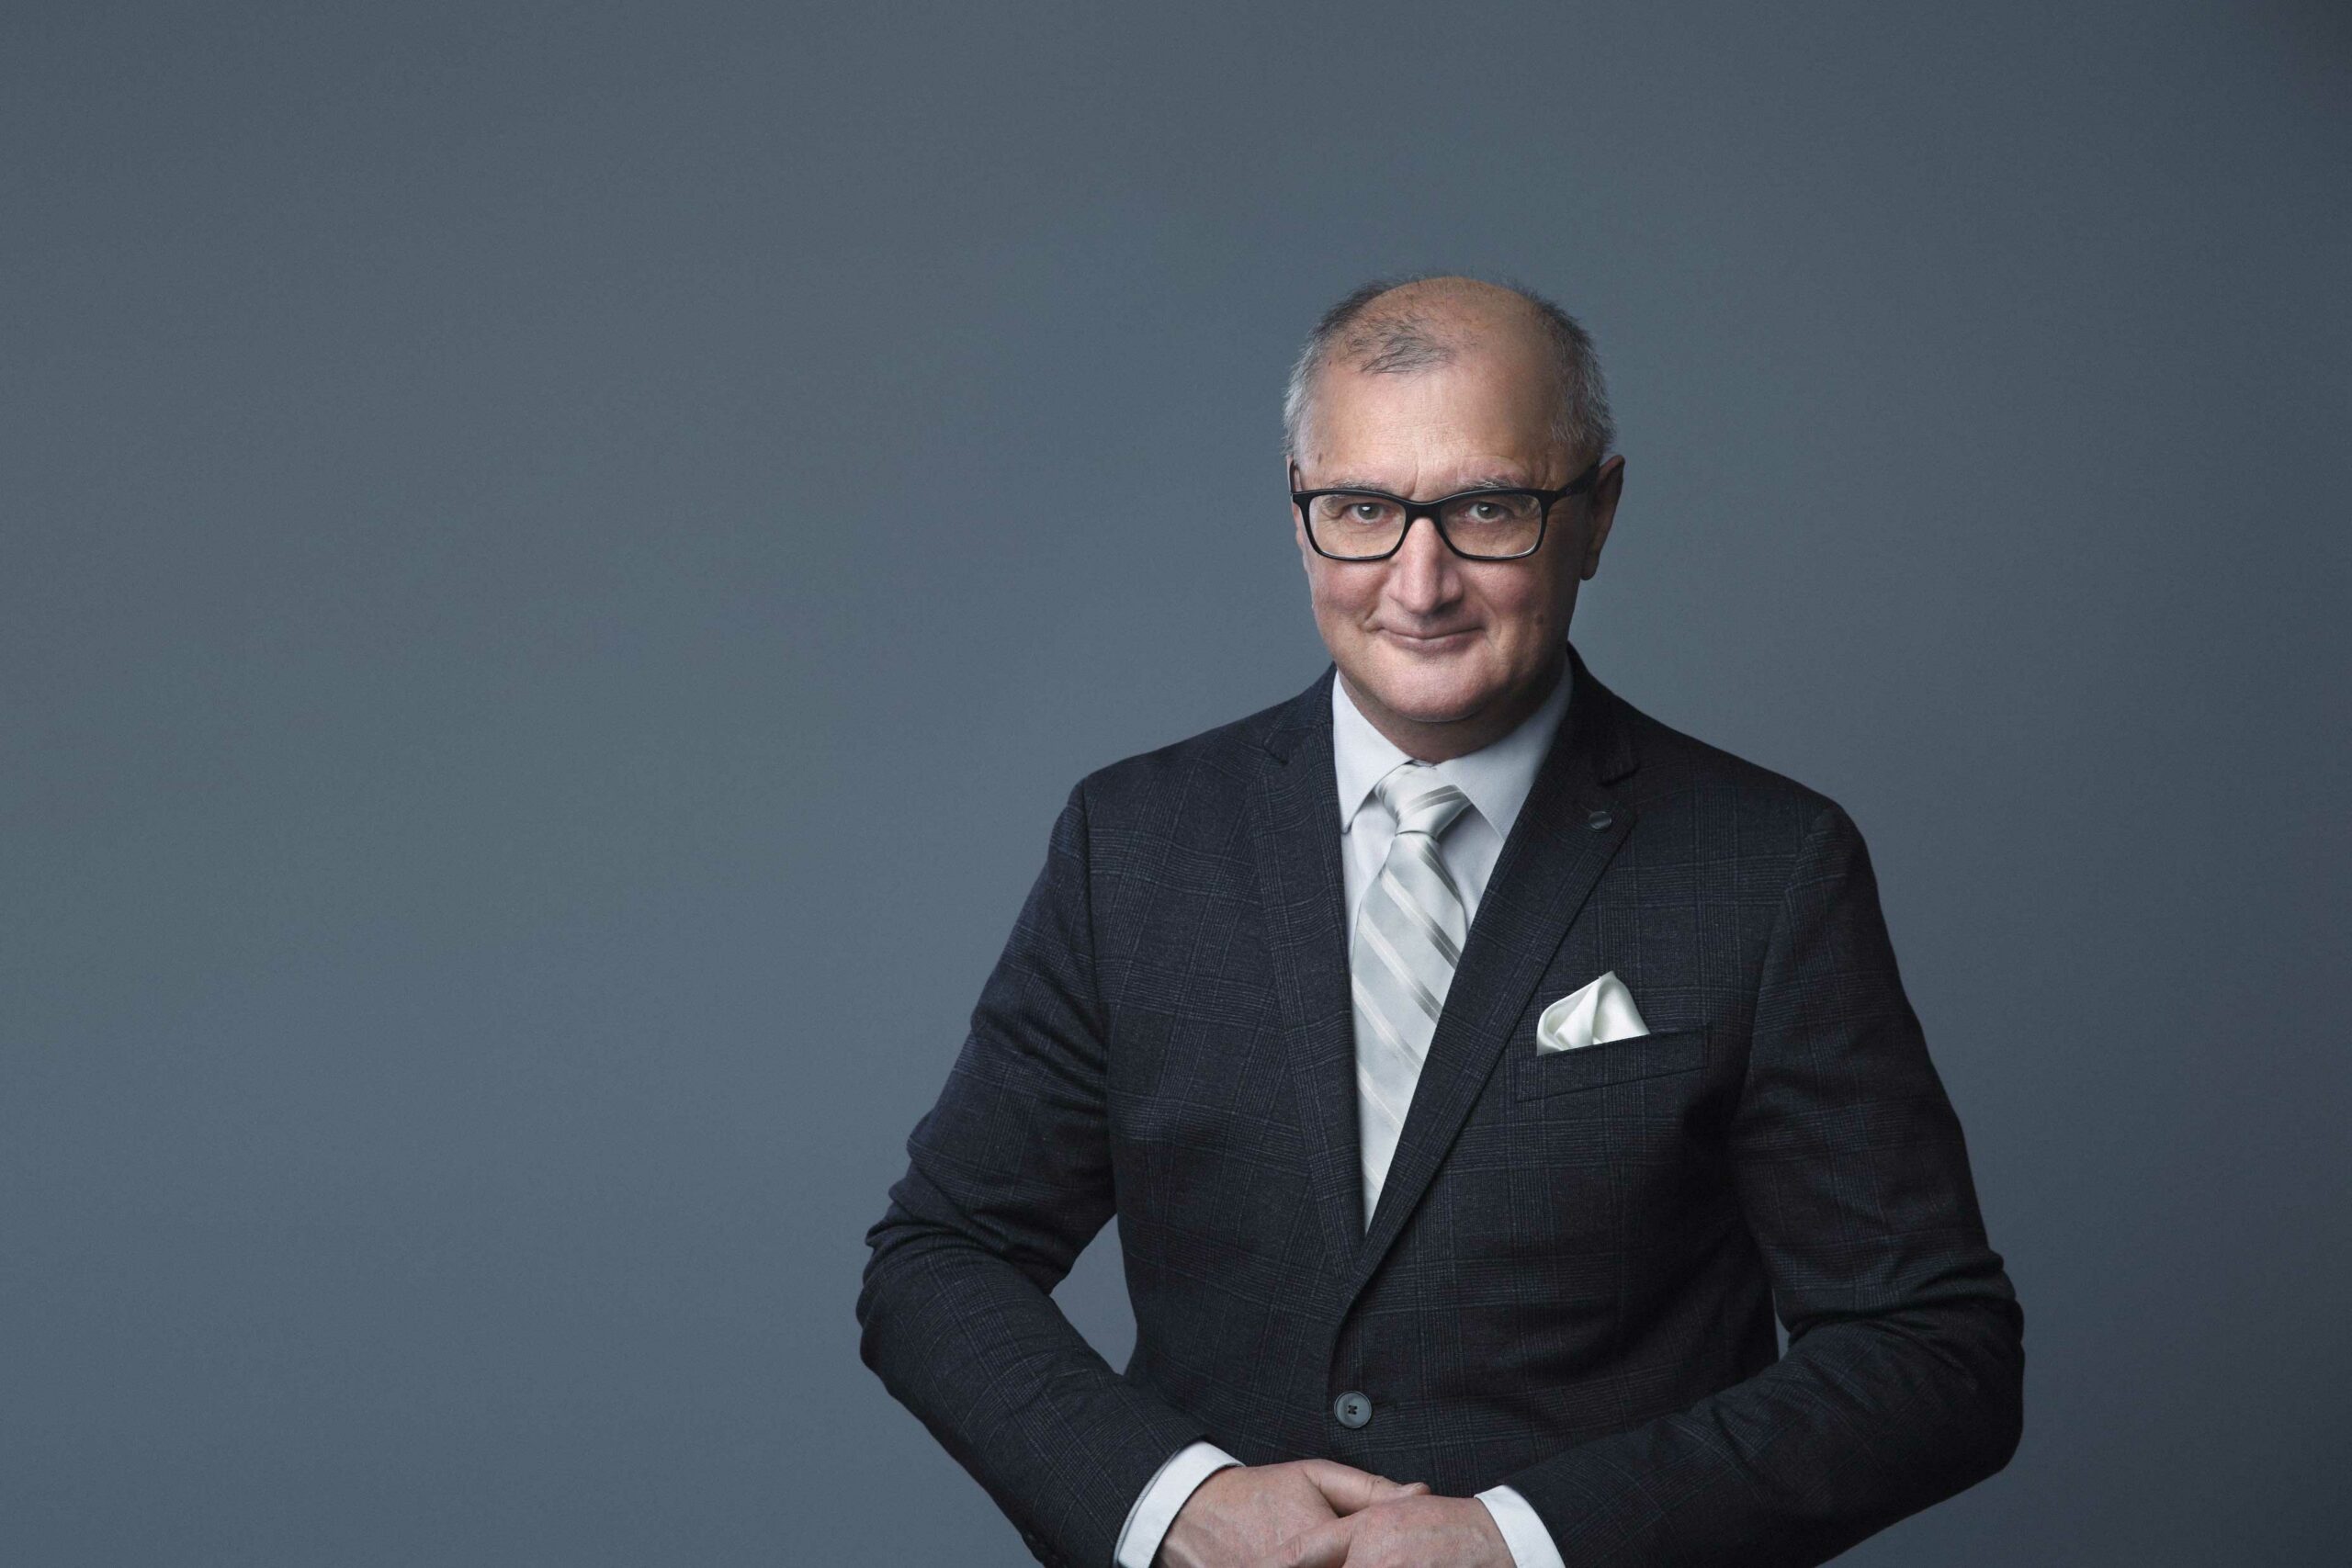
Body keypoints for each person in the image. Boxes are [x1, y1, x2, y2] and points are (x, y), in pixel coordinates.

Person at [857, 275, 2024, 1568]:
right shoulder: (1131, 845)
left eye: (1487, 509)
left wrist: (1524, 1544)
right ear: (1300, 515)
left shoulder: (1767, 868)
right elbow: (937, 1260)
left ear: (1596, 516)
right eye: (1363, 510)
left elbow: (1936, 1354)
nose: (1420, 586)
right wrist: (1172, 1504)